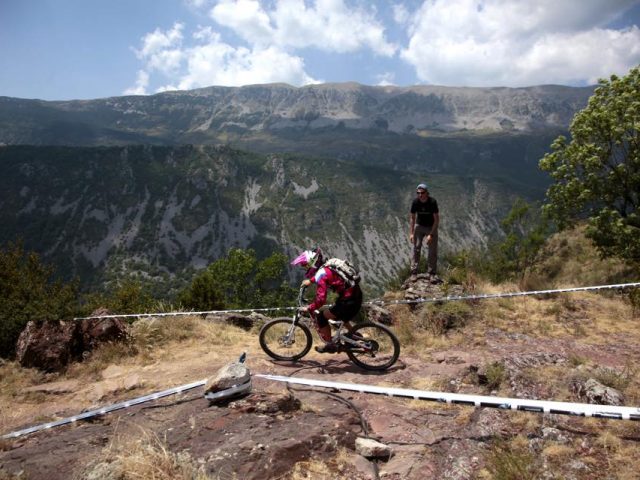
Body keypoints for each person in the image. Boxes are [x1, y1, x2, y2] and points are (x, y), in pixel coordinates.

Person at [291, 248, 363, 353]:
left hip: (348, 301)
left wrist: (309, 307)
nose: (304, 268)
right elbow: (326, 274)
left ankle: (330, 345)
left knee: (321, 317)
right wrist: (310, 281)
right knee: (338, 316)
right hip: (355, 295)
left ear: (313, 263)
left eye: (305, 265)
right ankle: (354, 335)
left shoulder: (321, 273)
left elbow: (321, 300)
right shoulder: (328, 264)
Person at [409, 183, 439, 278]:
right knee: (416, 248)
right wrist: (411, 233)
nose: (420, 195)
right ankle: (414, 272)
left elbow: (437, 219)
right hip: (419, 226)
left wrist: (431, 234)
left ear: (427, 193)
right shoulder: (415, 202)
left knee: (432, 250)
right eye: (418, 193)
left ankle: (431, 273)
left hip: (431, 226)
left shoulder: (432, 202)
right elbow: (412, 218)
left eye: (422, 193)